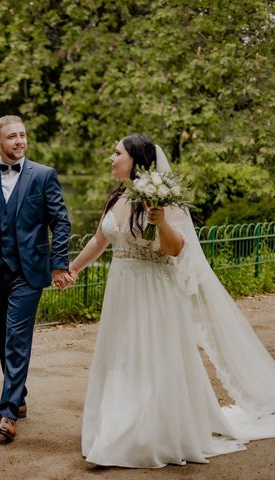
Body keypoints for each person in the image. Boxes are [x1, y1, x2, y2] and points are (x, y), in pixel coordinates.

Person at [67, 133, 275, 468]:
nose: (111, 158)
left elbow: (175, 248)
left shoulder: (160, 198)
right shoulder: (118, 197)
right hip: (121, 290)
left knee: (149, 358)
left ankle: (138, 436)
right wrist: (73, 269)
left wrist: (161, 221)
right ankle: (111, 429)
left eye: (116, 153)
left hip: (153, 290)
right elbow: (99, 240)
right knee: (120, 357)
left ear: (135, 159)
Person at [0, 115, 73, 441]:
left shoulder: (43, 176)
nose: (19, 141)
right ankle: (19, 399)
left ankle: (9, 412)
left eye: (22, 135)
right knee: (3, 336)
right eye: (12, 137)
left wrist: (58, 264)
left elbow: (61, 222)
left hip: (29, 271)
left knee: (17, 337)